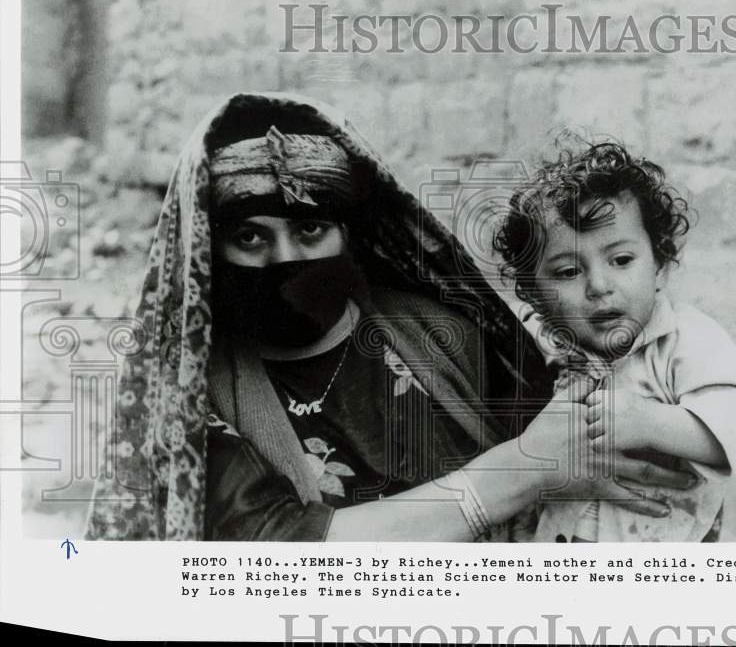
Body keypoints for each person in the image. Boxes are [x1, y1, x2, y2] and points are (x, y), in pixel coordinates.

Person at [84, 92, 694, 541]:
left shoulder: (442, 334)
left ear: (350, 235)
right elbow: (278, 555)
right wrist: (521, 471)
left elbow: (583, 455)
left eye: (310, 229)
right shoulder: (194, 397)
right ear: (209, 252)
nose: (284, 258)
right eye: (249, 237)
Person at [492, 137, 736, 542]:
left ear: (660, 267)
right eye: (568, 271)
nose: (599, 286)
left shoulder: (684, 341)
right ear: (537, 296)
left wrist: (649, 422)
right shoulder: (547, 344)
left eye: (621, 260)